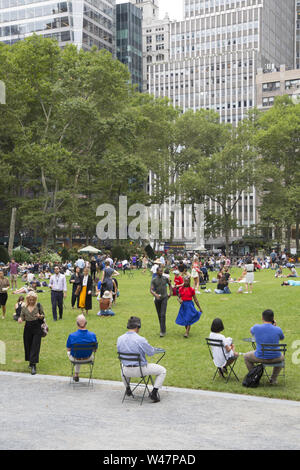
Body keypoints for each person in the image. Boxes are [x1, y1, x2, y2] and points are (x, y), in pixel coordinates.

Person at [117, 316, 167, 403]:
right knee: (162, 370)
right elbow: (150, 352)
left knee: (122, 366)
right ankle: (154, 393)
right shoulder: (140, 339)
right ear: (137, 327)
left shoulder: (119, 339)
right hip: (140, 370)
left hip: (126, 371)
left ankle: (128, 388)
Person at [244, 309, 285, 385]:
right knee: (282, 357)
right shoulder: (278, 329)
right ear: (273, 319)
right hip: (275, 357)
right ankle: (273, 379)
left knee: (246, 356)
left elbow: (251, 331)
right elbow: (282, 338)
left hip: (260, 356)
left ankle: (254, 376)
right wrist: (274, 327)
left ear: (262, 318)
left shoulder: (256, 328)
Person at [17, 292, 45, 375]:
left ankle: (33, 365)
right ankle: (30, 361)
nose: (32, 301)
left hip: (37, 327)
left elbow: (43, 315)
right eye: (30, 300)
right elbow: (22, 316)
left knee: (35, 346)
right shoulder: (24, 307)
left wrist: (40, 316)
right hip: (27, 328)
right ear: (27, 299)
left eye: (33, 300)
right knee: (28, 345)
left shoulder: (38, 306)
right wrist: (20, 319)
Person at [66, 314, 98, 383]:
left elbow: (68, 349)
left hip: (75, 358)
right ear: (86, 323)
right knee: (78, 353)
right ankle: (76, 374)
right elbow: (95, 350)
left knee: (74, 353)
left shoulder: (72, 336)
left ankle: (76, 374)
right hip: (88, 358)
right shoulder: (92, 335)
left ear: (77, 324)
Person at [150, 266, 172, 337]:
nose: (161, 272)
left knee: (163, 314)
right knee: (159, 315)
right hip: (157, 299)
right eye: (160, 271)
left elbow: (170, 285)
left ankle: (162, 331)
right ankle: (162, 327)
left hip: (164, 298)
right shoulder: (154, 280)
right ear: (157, 272)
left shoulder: (165, 278)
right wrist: (155, 295)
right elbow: (151, 290)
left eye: (162, 271)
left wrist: (170, 293)